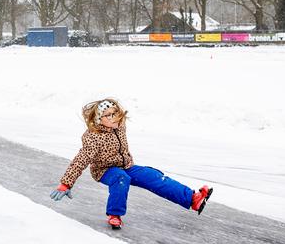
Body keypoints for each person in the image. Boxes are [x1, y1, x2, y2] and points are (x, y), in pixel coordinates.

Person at [50, 98, 213, 229]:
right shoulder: (93, 137)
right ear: (99, 119)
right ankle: (114, 215)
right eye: (108, 115)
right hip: (105, 170)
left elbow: (119, 116)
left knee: (153, 176)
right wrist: (66, 183)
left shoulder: (119, 126)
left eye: (115, 113)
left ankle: (193, 199)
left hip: (127, 165)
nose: (114, 117)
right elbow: (80, 160)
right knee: (121, 178)